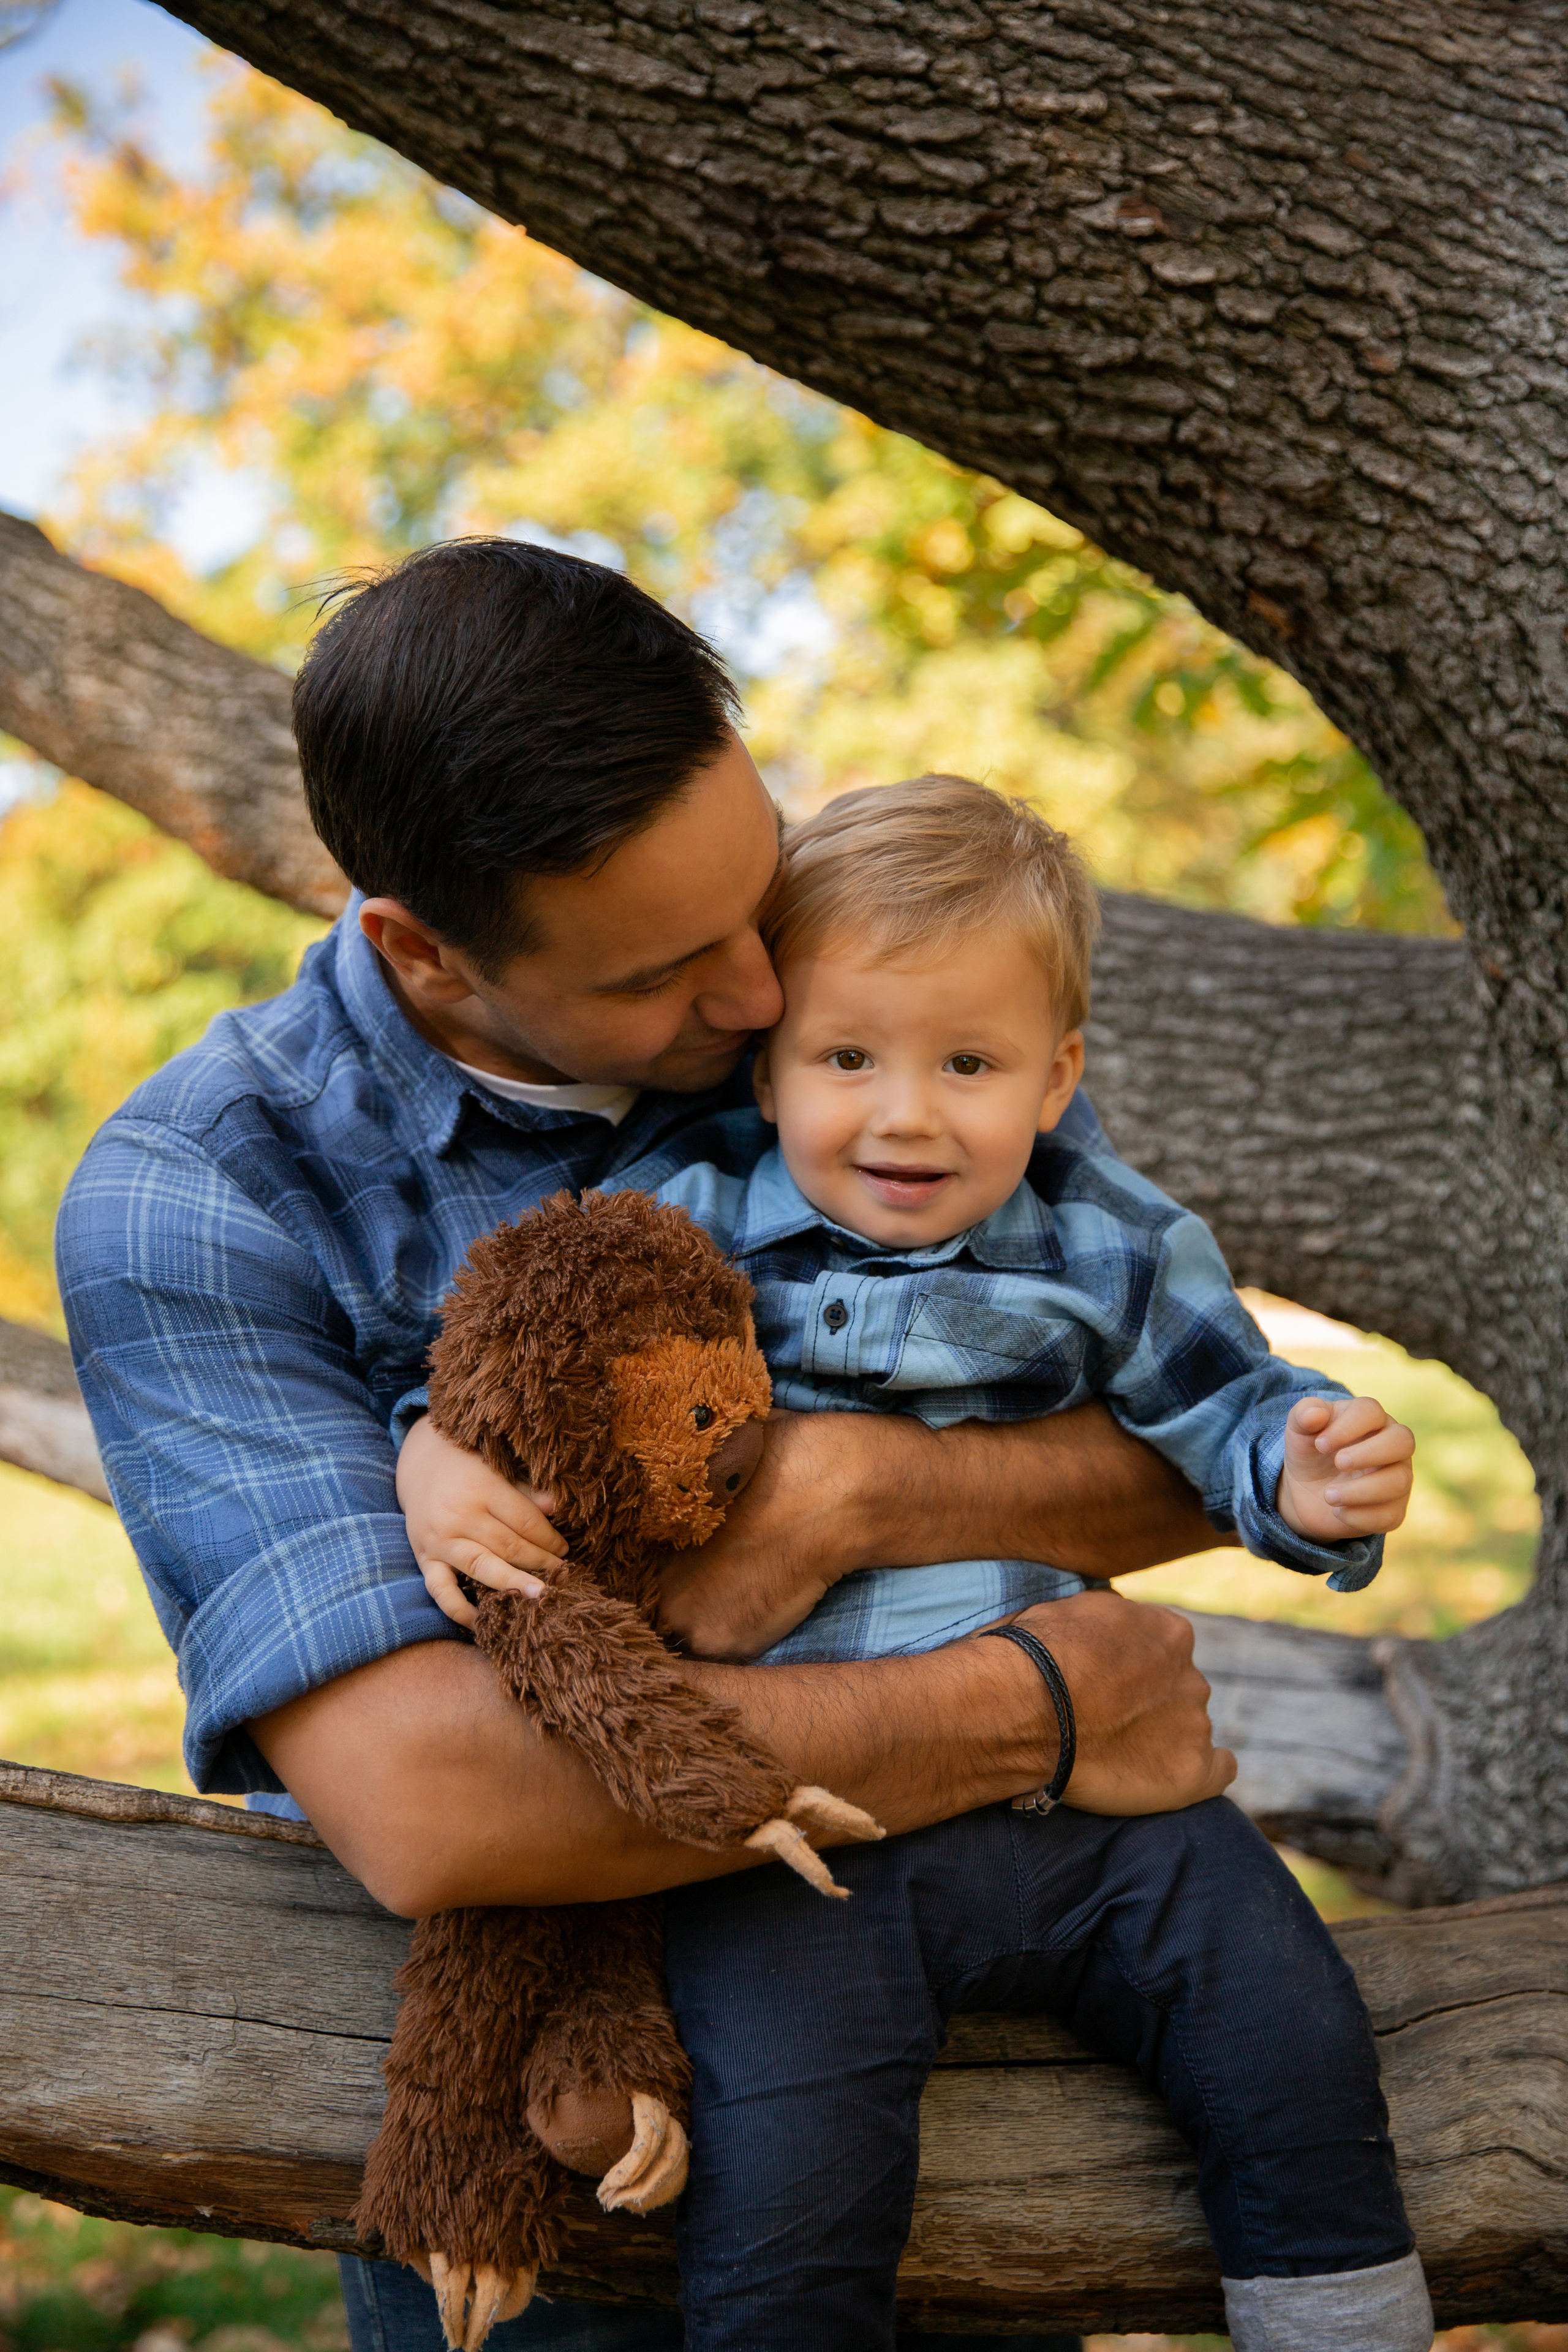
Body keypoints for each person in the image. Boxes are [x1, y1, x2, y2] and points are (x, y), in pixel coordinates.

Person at [59, 540, 1231, 2352]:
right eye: (668, 972)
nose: (763, 1001)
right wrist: (1040, 1708)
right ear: (422, 951)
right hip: (554, 2135)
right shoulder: (205, 1191)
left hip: (970, 2065)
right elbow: (430, 1798)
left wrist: (861, 1493)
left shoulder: (845, 1016)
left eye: (756, 898)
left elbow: (1183, 1437)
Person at [412, 777, 1431, 2352]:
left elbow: (1224, 1409)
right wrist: (435, 1449)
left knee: (1288, 2033)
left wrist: (1303, 1469)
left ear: (1056, 1076)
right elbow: (525, 1357)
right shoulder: (681, 1224)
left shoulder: (1110, 1241)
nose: (905, 1114)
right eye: (847, 1059)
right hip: (812, 1834)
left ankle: (1339, 2319)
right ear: (768, 1061)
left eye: (968, 1063)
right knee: (790, 2170)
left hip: (1098, 1797)